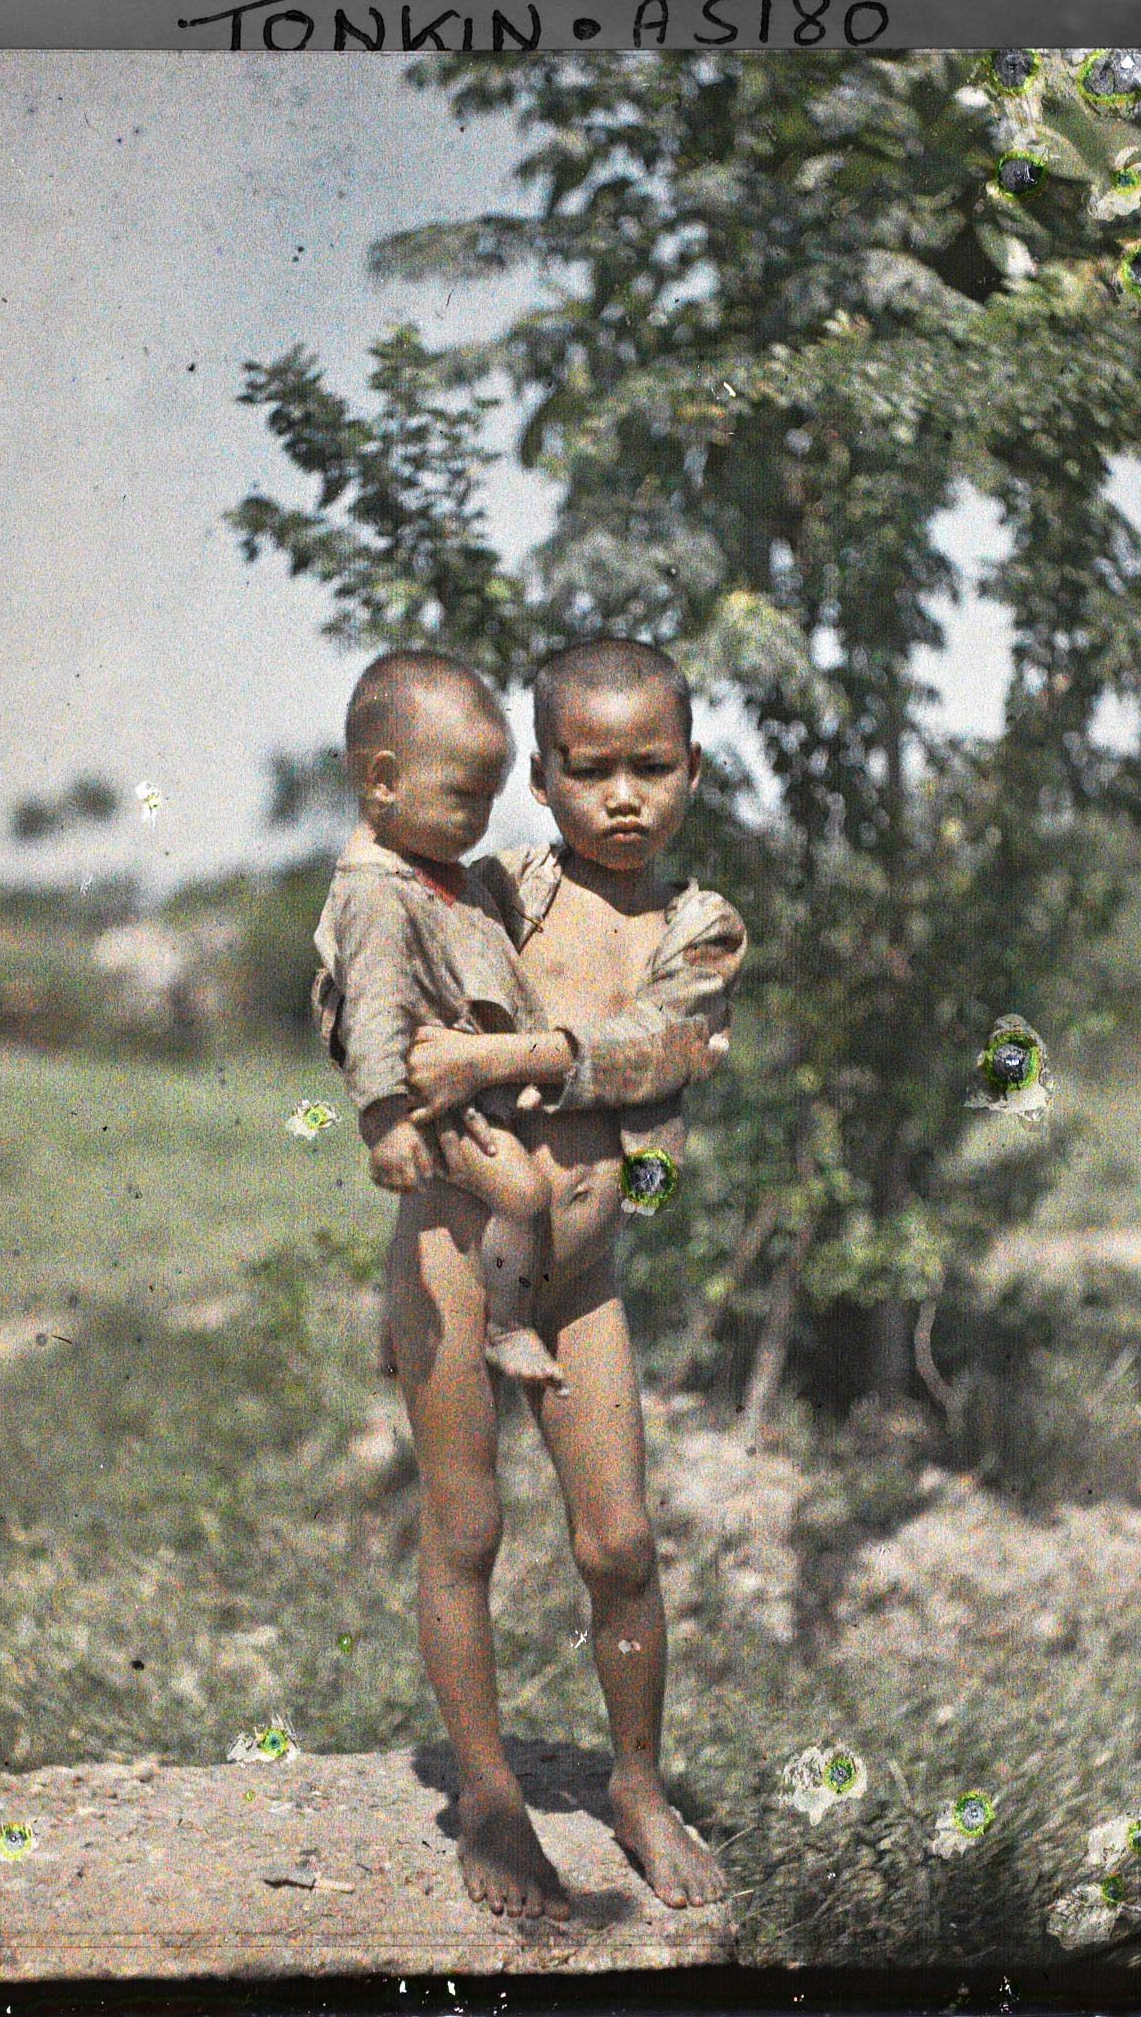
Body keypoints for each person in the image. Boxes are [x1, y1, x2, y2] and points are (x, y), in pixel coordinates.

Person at [390, 638, 746, 1921]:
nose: (623, 796)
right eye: (589, 770)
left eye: (652, 765)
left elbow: (659, 1046)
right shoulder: (495, 890)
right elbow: (370, 978)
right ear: (539, 778)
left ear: (693, 769)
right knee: (467, 1528)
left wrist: (507, 1056)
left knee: (621, 1541)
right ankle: (488, 1796)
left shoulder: (697, 924)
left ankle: (637, 1783)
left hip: (581, 1280)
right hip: (454, 1258)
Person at [313, 649, 573, 1391]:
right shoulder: (375, 893)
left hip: (463, 1084)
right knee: (523, 1194)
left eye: (487, 802)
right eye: (461, 798)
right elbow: (371, 1011)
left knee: (445, 1219)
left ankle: (402, 1326)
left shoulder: (429, 871)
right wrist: (385, 1121)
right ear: (383, 780)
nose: (477, 822)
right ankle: (508, 1325)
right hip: (428, 1104)